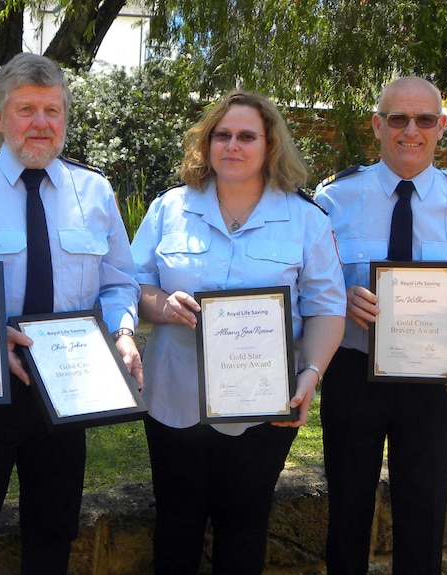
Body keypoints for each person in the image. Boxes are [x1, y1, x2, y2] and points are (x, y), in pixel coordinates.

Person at [0, 52, 143, 574]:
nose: (41, 123)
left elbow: (119, 281)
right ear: (0, 117)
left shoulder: (94, 191)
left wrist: (123, 330)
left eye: (53, 110)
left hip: (69, 390)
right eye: (26, 110)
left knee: (53, 533)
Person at [130, 89, 346, 574]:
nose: (232, 145)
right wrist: (163, 305)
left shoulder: (305, 219)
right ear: (206, 145)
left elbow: (328, 308)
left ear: (269, 146)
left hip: (263, 403)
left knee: (245, 527)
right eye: (221, 135)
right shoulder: (170, 208)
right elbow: (133, 285)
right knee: (176, 524)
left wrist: (310, 373)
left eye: (247, 136)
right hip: (174, 395)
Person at [314, 76, 447, 575]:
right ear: (378, 126)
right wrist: (339, 297)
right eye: (398, 118)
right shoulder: (335, 199)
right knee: (347, 512)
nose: (410, 131)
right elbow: (310, 286)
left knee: (424, 511)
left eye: (424, 120)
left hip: (432, 377)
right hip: (353, 372)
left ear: (442, 128)